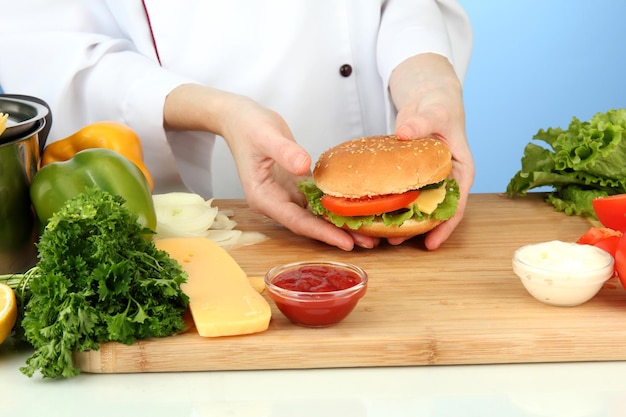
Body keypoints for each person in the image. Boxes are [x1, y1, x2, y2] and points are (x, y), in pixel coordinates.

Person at [0, 0, 474, 251]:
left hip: (385, 179)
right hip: (196, 229)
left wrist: (430, 79)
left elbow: (406, 4)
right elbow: (48, 44)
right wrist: (218, 112)